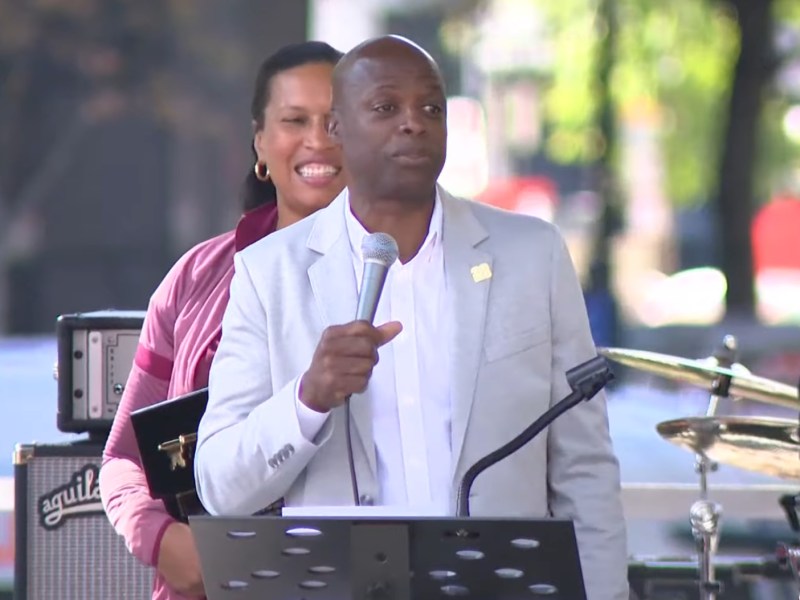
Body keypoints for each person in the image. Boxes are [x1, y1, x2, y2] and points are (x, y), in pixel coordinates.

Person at [195, 35, 628, 600]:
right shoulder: (267, 273)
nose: (414, 123)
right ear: (339, 131)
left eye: (431, 108)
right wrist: (307, 398)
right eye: (385, 107)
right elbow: (220, 485)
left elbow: (584, 468)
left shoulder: (531, 254)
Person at [99, 40, 345, 600]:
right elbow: (123, 457)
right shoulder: (196, 278)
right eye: (294, 120)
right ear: (260, 142)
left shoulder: (403, 275)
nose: (317, 140)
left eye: (336, 120)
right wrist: (160, 541)